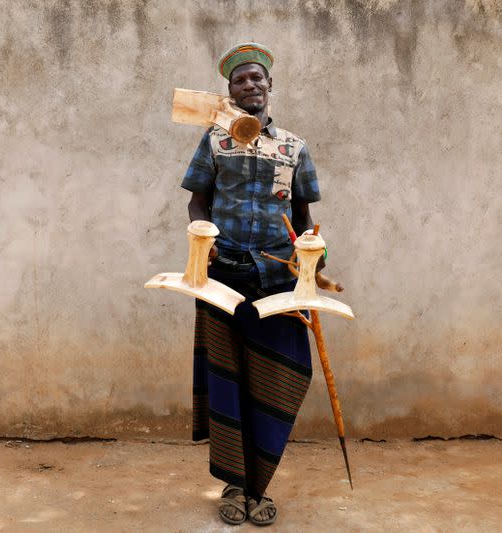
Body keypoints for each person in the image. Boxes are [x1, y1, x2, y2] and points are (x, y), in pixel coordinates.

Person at [180, 42, 322, 526]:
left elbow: (304, 218)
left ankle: (262, 483)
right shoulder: (214, 141)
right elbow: (197, 203)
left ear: (269, 86)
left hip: (279, 279)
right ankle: (235, 486)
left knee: (281, 374)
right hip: (224, 275)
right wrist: (204, 234)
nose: (250, 85)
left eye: (257, 78)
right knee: (227, 377)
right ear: (230, 91)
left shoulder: (295, 147)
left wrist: (314, 257)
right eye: (240, 80)